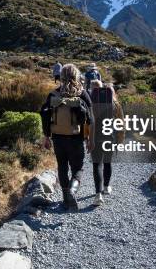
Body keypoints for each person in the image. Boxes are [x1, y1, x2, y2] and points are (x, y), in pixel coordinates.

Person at [40, 64, 93, 211]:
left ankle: (66, 200)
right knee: (78, 168)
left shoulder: (53, 94)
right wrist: (89, 139)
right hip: (76, 138)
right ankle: (72, 191)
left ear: (61, 77)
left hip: (58, 138)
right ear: (77, 76)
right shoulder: (83, 94)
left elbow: (45, 116)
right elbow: (90, 120)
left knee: (62, 166)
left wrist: (46, 137)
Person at [87, 82, 124, 206]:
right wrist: (119, 140)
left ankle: (98, 195)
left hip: (95, 136)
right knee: (108, 162)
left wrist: (87, 137)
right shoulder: (116, 104)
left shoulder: (92, 102)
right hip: (110, 137)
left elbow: (87, 121)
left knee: (97, 165)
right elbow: (121, 124)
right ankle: (107, 187)